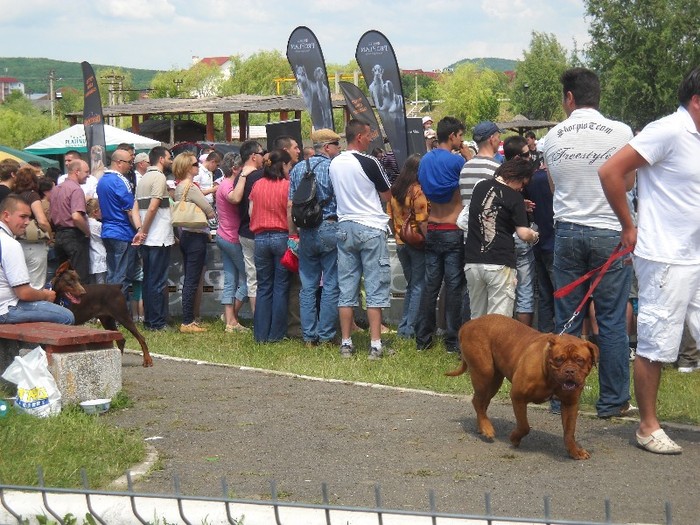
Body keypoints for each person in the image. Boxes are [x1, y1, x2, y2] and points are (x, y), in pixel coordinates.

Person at [598, 66, 700, 454]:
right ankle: (647, 426)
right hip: (665, 258)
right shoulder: (669, 130)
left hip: (695, 255)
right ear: (696, 100)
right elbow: (610, 171)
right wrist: (629, 225)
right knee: (656, 343)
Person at [543, 67, 635, 419]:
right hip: (610, 231)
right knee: (611, 321)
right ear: (597, 96)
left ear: (569, 98)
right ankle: (612, 401)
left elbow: (553, 188)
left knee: (568, 317)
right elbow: (626, 184)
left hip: (568, 231)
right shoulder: (621, 132)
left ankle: (559, 397)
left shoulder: (553, 136)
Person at [329, 119, 392, 360]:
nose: (371, 139)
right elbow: (387, 193)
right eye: (368, 135)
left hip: (345, 226)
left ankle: (346, 342)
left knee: (347, 287)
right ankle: (375, 344)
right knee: (375, 286)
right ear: (359, 137)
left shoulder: (335, 163)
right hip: (370, 225)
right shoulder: (369, 161)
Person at [416, 116, 469, 354]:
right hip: (452, 228)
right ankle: (452, 341)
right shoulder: (457, 162)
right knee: (454, 287)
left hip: (433, 226)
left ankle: (423, 339)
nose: (462, 139)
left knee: (430, 286)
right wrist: (469, 156)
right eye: (460, 135)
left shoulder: (425, 160)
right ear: (453, 136)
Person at [464, 158, 539, 319]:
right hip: (499, 263)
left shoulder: (480, 186)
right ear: (516, 177)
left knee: (477, 317)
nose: (521, 188)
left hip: (473, 262)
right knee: (499, 322)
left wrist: (518, 208)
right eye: (522, 184)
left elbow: (491, 206)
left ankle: (476, 344)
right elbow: (523, 234)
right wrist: (534, 235)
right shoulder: (515, 197)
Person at [287, 128, 342, 346]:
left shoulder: (298, 168)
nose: (338, 149)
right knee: (330, 284)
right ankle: (327, 335)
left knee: (307, 286)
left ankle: (309, 336)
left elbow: (291, 204)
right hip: (329, 227)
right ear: (327, 147)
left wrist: (293, 233)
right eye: (337, 145)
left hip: (306, 231)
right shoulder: (333, 168)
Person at [0, 195, 74, 325]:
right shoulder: (10, 244)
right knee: (66, 316)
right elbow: (24, 293)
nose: (28, 222)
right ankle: (34, 346)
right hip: (5, 309)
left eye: (29, 217)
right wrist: (45, 295)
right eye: (23, 217)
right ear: (6, 216)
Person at [248, 149, 293, 342]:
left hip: (260, 238)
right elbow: (290, 212)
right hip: (281, 236)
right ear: (282, 165)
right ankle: (276, 334)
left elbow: (251, 212)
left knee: (263, 286)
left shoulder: (257, 184)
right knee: (281, 287)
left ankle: (260, 334)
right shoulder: (287, 186)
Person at [173, 152, 215, 333]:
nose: (198, 167)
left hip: (185, 235)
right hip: (195, 235)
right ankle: (188, 320)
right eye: (194, 164)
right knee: (192, 279)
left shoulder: (179, 186)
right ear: (187, 168)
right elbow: (207, 207)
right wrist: (211, 216)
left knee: (190, 278)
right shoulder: (190, 187)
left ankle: (189, 318)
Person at [96, 149, 146, 301]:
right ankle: (118, 312)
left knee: (112, 274)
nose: (131, 166)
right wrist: (139, 229)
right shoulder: (120, 181)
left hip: (108, 231)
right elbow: (130, 210)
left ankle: (110, 309)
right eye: (129, 163)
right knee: (121, 276)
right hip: (122, 232)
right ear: (119, 163)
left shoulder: (102, 180)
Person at [387, 154, 428, 338]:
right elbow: (422, 221)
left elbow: (389, 218)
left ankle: (404, 326)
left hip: (400, 242)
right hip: (416, 243)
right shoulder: (417, 192)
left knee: (411, 285)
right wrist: (427, 239)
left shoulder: (394, 191)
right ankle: (409, 328)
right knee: (418, 285)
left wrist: (397, 234)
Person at [135, 146, 175, 331]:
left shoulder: (143, 178)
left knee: (148, 280)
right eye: (169, 157)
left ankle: (150, 320)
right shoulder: (159, 177)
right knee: (158, 281)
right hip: (158, 237)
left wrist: (139, 229)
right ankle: (157, 322)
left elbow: (135, 207)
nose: (171, 161)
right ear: (161, 159)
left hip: (148, 238)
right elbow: (153, 207)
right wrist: (143, 230)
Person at [502, 136, 537, 326]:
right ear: (516, 157)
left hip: (504, 238)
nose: (530, 156)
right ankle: (521, 337)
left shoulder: (498, 175)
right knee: (524, 290)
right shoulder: (522, 177)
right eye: (526, 154)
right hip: (520, 235)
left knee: (505, 292)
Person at [228, 140, 265, 314]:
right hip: (262, 232)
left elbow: (235, 200)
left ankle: (258, 318)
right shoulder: (261, 176)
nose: (263, 156)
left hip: (245, 232)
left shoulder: (239, 178)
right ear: (253, 156)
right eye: (261, 152)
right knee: (267, 277)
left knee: (252, 278)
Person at [215, 152, 249, 333]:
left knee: (230, 280)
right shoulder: (228, 185)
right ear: (235, 168)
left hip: (223, 235)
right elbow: (234, 198)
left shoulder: (222, 183)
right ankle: (231, 318)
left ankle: (229, 321)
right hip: (232, 237)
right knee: (248, 279)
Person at [49, 159, 91, 282]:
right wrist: (87, 232)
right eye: (86, 171)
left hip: (59, 235)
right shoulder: (76, 189)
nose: (88, 175)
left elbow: (51, 215)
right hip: (74, 235)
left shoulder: (56, 189)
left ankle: (64, 301)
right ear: (77, 172)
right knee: (80, 278)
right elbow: (76, 217)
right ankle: (80, 302)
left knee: (64, 278)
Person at [13, 166, 52, 289]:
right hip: (34, 243)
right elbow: (42, 221)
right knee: (36, 283)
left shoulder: (12, 196)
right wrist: (49, 235)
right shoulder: (32, 196)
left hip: (17, 242)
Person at [86, 198, 107, 284]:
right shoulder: (99, 225)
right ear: (95, 212)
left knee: (92, 283)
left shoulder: (85, 223)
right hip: (100, 254)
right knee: (101, 282)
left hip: (90, 256)